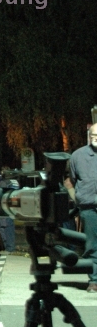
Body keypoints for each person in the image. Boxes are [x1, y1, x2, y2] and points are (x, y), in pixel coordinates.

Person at [65, 123, 97, 294]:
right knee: (92, 245)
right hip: (89, 207)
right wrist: (80, 198)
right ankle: (94, 280)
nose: (96, 138)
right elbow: (73, 179)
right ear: (89, 136)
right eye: (94, 135)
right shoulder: (78, 156)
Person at [0, 167, 17, 253]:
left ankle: (9, 248)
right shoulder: (14, 182)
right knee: (9, 227)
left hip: (4, 208)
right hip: (12, 207)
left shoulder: (3, 182)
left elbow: (0, 194)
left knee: (4, 228)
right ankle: (10, 247)